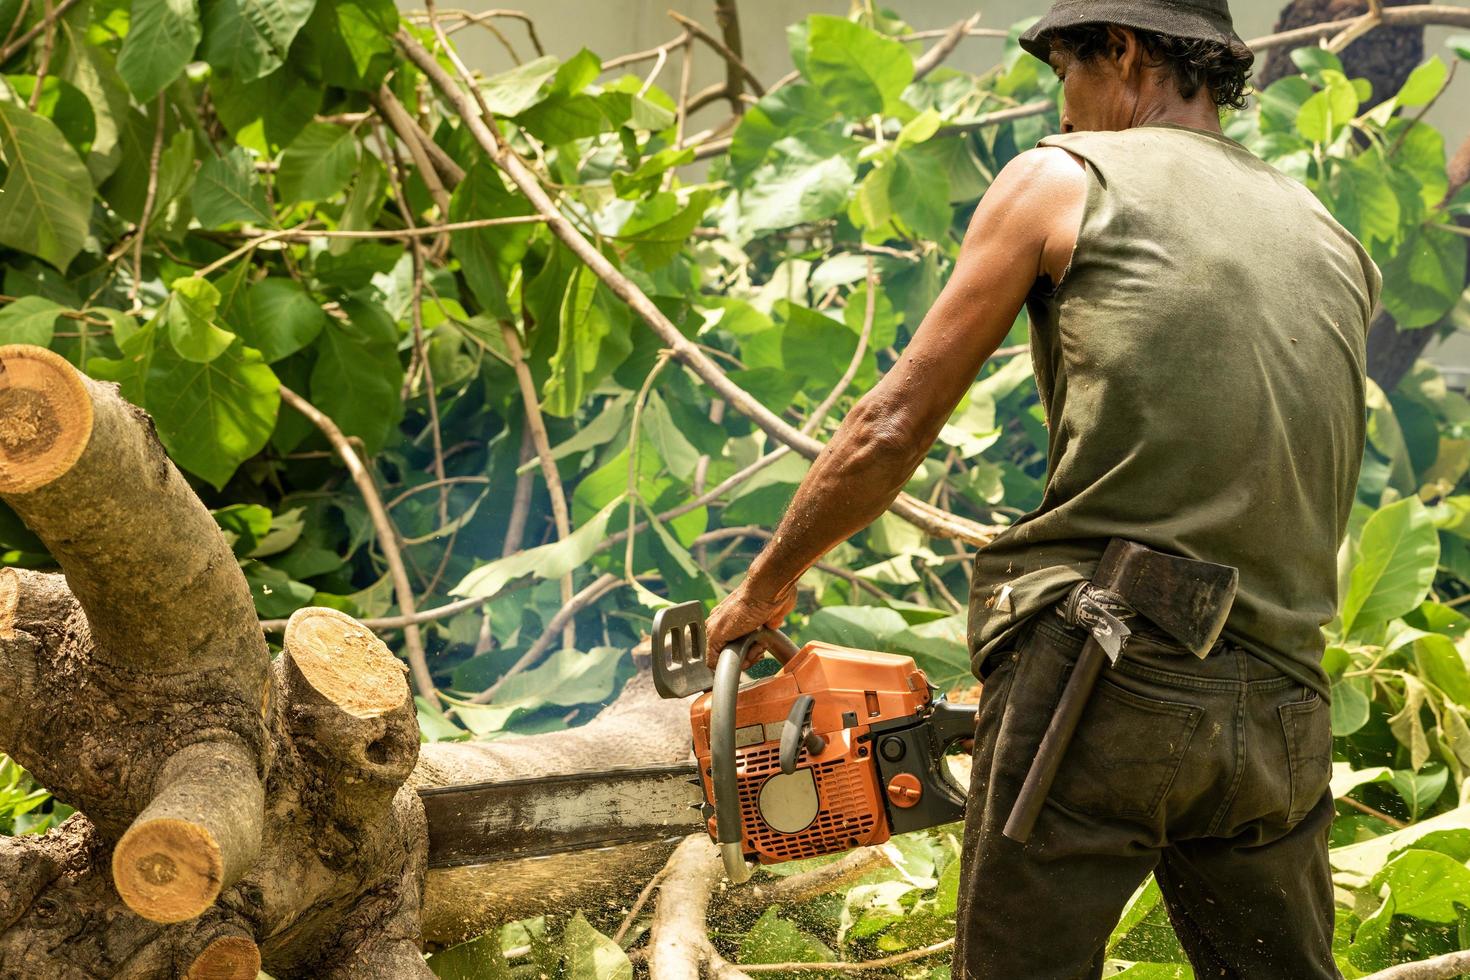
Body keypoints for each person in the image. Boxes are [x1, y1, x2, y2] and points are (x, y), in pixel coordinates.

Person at [703, 0, 1382, 976]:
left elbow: (890, 426)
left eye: (1068, 74)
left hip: (1108, 666)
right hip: (1283, 702)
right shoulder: (1325, 232)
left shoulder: (1062, 178)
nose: (1063, 110)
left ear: (1124, 50)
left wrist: (765, 585)